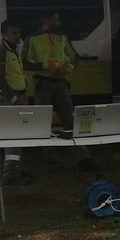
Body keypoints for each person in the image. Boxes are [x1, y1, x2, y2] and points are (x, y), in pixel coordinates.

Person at [23, 12, 97, 171]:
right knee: (43, 121)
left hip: (61, 83)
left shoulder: (62, 37)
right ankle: (50, 160)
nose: (58, 22)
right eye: (55, 19)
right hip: (42, 83)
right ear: (45, 20)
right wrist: (44, 67)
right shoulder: (32, 38)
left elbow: (76, 58)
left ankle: (83, 158)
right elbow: (24, 62)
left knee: (70, 119)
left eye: (58, 19)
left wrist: (67, 68)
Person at [0, 19, 33, 185]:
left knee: (19, 136)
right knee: (13, 136)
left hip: (19, 96)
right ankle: (10, 174)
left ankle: (14, 170)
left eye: (18, 32)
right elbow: (0, 78)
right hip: (12, 99)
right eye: (13, 33)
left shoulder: (13, 50)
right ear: (4, 34)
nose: (18, 36)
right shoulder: (1, 51)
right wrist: (13, 99)